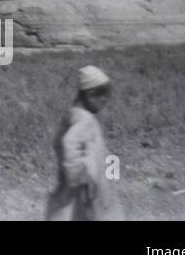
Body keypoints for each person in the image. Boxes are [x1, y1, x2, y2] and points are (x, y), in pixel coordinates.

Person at [45, 65, 125, 220]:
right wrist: (80, 175)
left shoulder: (72, 114)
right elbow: (69, 142)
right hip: (86, 186)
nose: (105, 102)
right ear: (90, 94)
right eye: (103, 97)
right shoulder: (85, 119)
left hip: (74, 186)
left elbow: (57, 142)